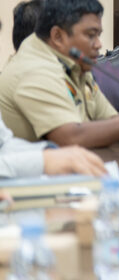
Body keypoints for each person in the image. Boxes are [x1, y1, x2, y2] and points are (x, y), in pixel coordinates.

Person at [0, 0, 119, 146]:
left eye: (98, 35)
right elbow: (70, 137)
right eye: (90, 35)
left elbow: (111, 122)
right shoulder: (34, 70)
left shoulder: (75, 64)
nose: (98, 44)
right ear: (57, 37)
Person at [0, 16, 104, 177]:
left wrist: (51, 152)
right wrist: (43, 161)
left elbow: (5, 143)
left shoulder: (75, 68)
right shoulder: (30, 73)